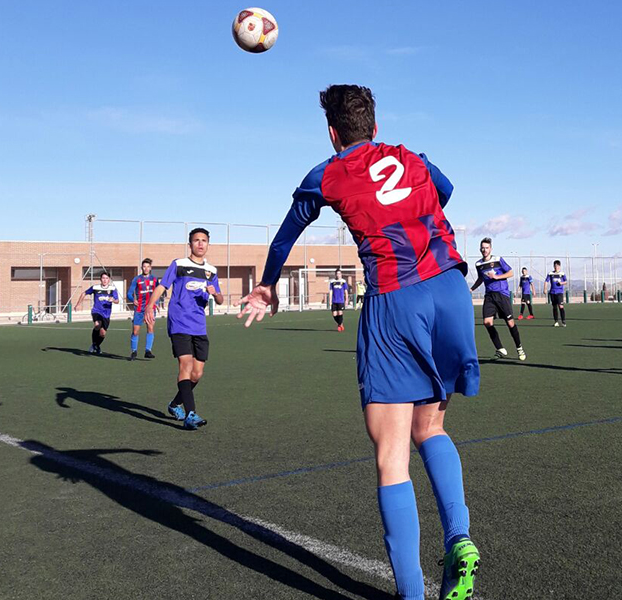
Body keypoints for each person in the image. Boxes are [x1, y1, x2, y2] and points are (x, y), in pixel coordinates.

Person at [235, 85, 481, 600]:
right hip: (453, 289)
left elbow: (286, 234)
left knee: (391, 452)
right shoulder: (411, 158)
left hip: (397, 295)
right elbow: (446, 190)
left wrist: (268, 283)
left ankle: (412, 594)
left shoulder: (327, 172)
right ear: (377, 125)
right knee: (430, 425)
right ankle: (459, 537)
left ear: (331, 133)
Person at [144, 228, 223, 431]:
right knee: (185, 365)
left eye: (204, 240)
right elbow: (162, 287)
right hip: (179, 322)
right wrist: (149, 306)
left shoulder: (211, 271)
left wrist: (215, 293)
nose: (200, 244)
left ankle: (174, 404)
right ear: (190, 244)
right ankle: (190, 414)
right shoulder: (178, 265)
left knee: (197, 374)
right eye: (196, 240)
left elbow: (221, 300)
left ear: (208, 244)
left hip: (199, 326)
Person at [470, 238, 526, 361]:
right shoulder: (479, 264)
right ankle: (500, 349)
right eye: (482, 248)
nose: (484, 250)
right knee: (487, 322)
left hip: (502, 295)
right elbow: (480, 279)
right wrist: (472, 289)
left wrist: (496, 277)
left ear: (491, 249)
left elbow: (510, 273)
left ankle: (519, 348)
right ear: (480, 249)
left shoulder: (498, 260)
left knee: (510, 323)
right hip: (489, 296)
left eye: (487, 247)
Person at [77, 272, 119, 355]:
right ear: (100, 279)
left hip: (106, 314)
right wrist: (78, 304)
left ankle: (96, 345)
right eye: (103, 278)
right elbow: (84, 293)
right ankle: (95, 344)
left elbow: (117, 301)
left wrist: (113, 300)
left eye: (106, 278)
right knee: (97, 325)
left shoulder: (112, 289)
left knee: (102, 333)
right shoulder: (95, 288)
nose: (105, 280)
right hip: (96, 311)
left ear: (109, 279)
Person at [126, 258, 160, 360]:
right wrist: (133, 300)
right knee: (136, 331)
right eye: (144, 266)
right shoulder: (137, 279)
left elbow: (157, 293)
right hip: (139, 309)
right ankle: (134, 351)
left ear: (150, 268)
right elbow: (129, 293)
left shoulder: (154, 279)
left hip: (150, 308)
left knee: (150, 328)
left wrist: (156, 303)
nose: (146, 268)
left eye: (148, 266)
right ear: (141, 267)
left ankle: (148, 351)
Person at [544, 260, 568, 326]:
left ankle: (563, 321)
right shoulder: (550, 274)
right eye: (555, 266)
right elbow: (546, 281)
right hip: (552, 292)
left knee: (561, 306)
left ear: (559, 266)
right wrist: (545, 289)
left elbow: (566, 281)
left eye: (557, 266)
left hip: (559, 292)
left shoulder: (562, 274)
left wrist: (561, 283)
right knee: (554, 307)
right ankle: (556, 321)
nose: (556, 267)